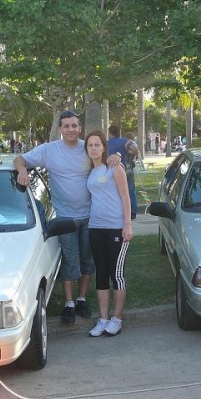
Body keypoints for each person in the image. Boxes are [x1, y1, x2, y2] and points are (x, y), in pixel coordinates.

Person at [14, 111, 122, 325]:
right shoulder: (48, 151)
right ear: (60, 129)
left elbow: (108, 157)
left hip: (92, 216)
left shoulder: (87, 148)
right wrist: (21, 171)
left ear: (79, 127)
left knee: (87, 260)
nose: (71, 129)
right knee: (70, 259)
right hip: (65, 218)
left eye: (74, 125)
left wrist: (117, 156)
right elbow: (20, 159)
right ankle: (69, 303)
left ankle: (82, 299)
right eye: (66, 126)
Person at [85, 131, 133, 337]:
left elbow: (125, 196)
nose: (93, 148)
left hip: (116, 228)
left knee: (117, 274)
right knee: (102, 275)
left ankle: (117, 318)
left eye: (97, 145)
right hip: (96, 228)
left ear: (104, 147)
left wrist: (127, 225)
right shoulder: (90, 172)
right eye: (90, 146)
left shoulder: (114, 167)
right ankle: (103, 319)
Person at [107, 125, 138, 219]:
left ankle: (120, 211)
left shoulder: (107, 143)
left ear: (110, 132)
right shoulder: (125, 141)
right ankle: (132, 211)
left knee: (117, 191)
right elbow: (135, 149)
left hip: (114, 169)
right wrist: (129, 157)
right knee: (131, 190)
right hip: (127, 168)